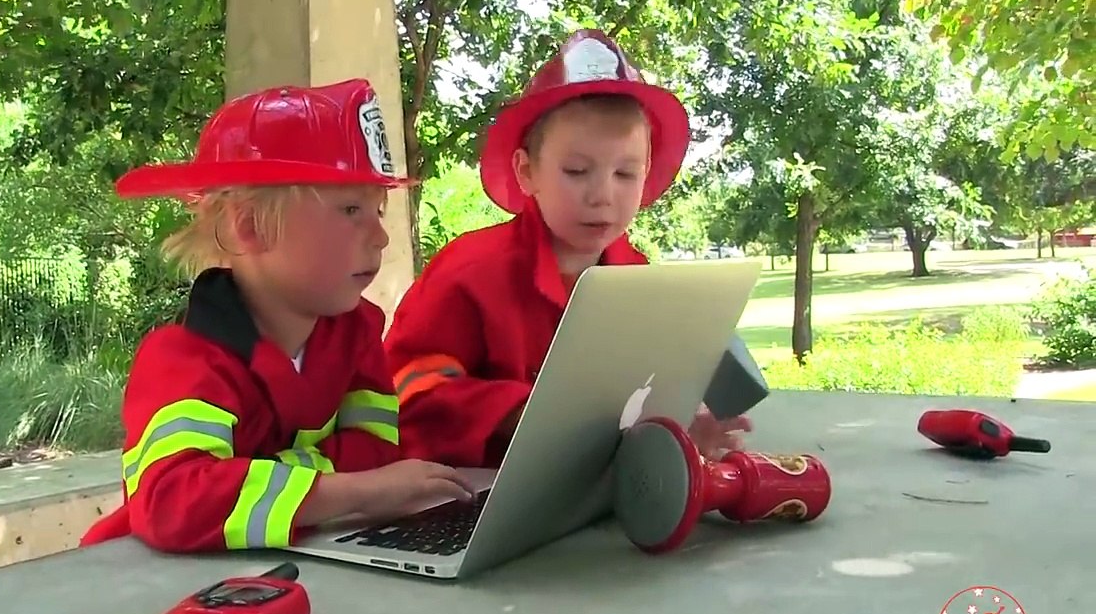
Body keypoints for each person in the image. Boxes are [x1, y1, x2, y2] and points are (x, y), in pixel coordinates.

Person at [80, 79, 475, 553]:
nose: (381, 237)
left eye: (378, 208)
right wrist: (355, 492)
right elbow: (173, 501)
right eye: (351, 209)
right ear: (249, 226)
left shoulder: (358, 332)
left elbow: (377, 451)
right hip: (161, 591)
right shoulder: (181, 361)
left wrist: (260, 483)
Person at [384, 29, 753, 470]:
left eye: (625, 174)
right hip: (478, 496)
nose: (602, 195)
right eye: (577, 171)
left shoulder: (641, 282)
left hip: (597, 493)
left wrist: (682, 431)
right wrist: (521, 414)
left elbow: (642, 401)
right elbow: (406, 388)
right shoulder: (469, 273)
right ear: (526, 172)